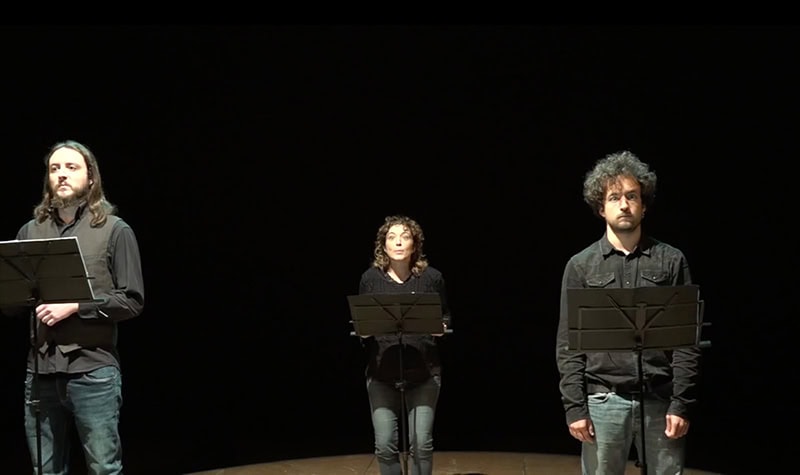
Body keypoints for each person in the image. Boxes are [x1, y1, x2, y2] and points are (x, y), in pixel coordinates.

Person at [4, 140, 145, 475]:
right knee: (45, 470)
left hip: (93, 370)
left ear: (91, 177)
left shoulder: (114, 230)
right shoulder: (30, 231)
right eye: (55, 169)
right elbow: (13, 305)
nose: (62, 175)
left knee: (103, 468)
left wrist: (76, 306)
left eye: (71, 167)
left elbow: (131, 300)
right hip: (40, 371)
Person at [555, 151, 701, 474]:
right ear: (601, 207)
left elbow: (686, 342)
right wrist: (575, 407)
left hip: (660, 401)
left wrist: (681, 403)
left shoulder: (671, 260)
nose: (624, 205)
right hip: (603, 401)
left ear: (644, 205)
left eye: (632, 196)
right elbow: (568, 345)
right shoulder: (580, 266)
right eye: (614, 197)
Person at [357, 215, 451, 475]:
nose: (398, 242)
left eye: (405, 237)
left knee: (421, 445)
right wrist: (365, 330)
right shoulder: (370, 279)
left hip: (424, 373)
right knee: (385, 445)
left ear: (415, 244)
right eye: (392, 237)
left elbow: (445, 316)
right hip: (382, 374)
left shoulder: (432, 278)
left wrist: (440, 326)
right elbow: (363, 323)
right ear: (383, 245)